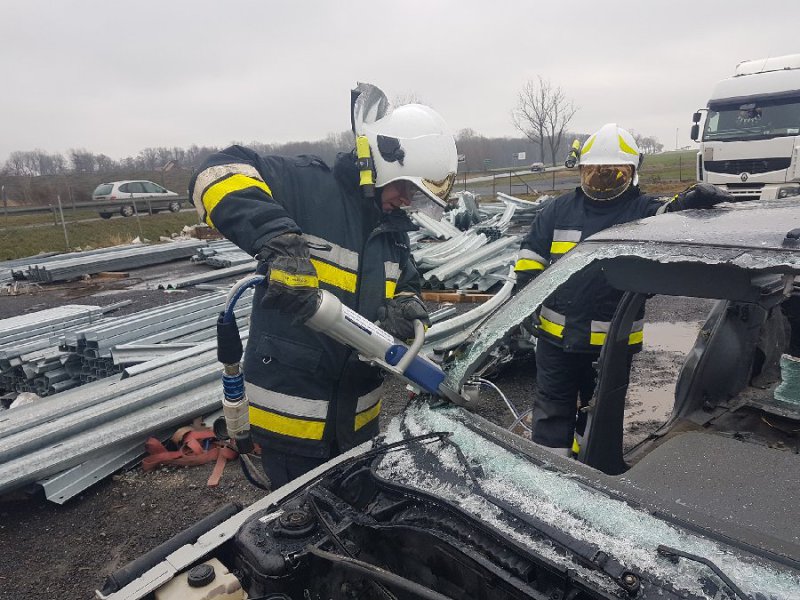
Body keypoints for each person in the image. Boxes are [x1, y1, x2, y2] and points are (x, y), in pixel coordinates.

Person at [189, 83, 457, 487]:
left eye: (415, 195)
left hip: (359, 425)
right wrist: (276, 238)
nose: (406, 201)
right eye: (405, 187)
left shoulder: (392, 233)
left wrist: (405, 305)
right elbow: (215, 174)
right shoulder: (306, 187)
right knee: (301, 516)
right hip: (291, 426)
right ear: (383, 163)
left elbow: (407, 282)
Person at [513, 123, 732, 456]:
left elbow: (669, 216)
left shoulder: (641, 210)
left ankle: (589, 467)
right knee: (552, 411)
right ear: (581, 171)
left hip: (611, 347)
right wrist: (526, 299)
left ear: (631, 173)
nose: (601, 180)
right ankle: (549, 471)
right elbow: (531, 256)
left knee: (600, 414)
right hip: (556, 340)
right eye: (593, 173)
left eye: (612, 174)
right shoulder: (558, 210)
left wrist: (689, 201)